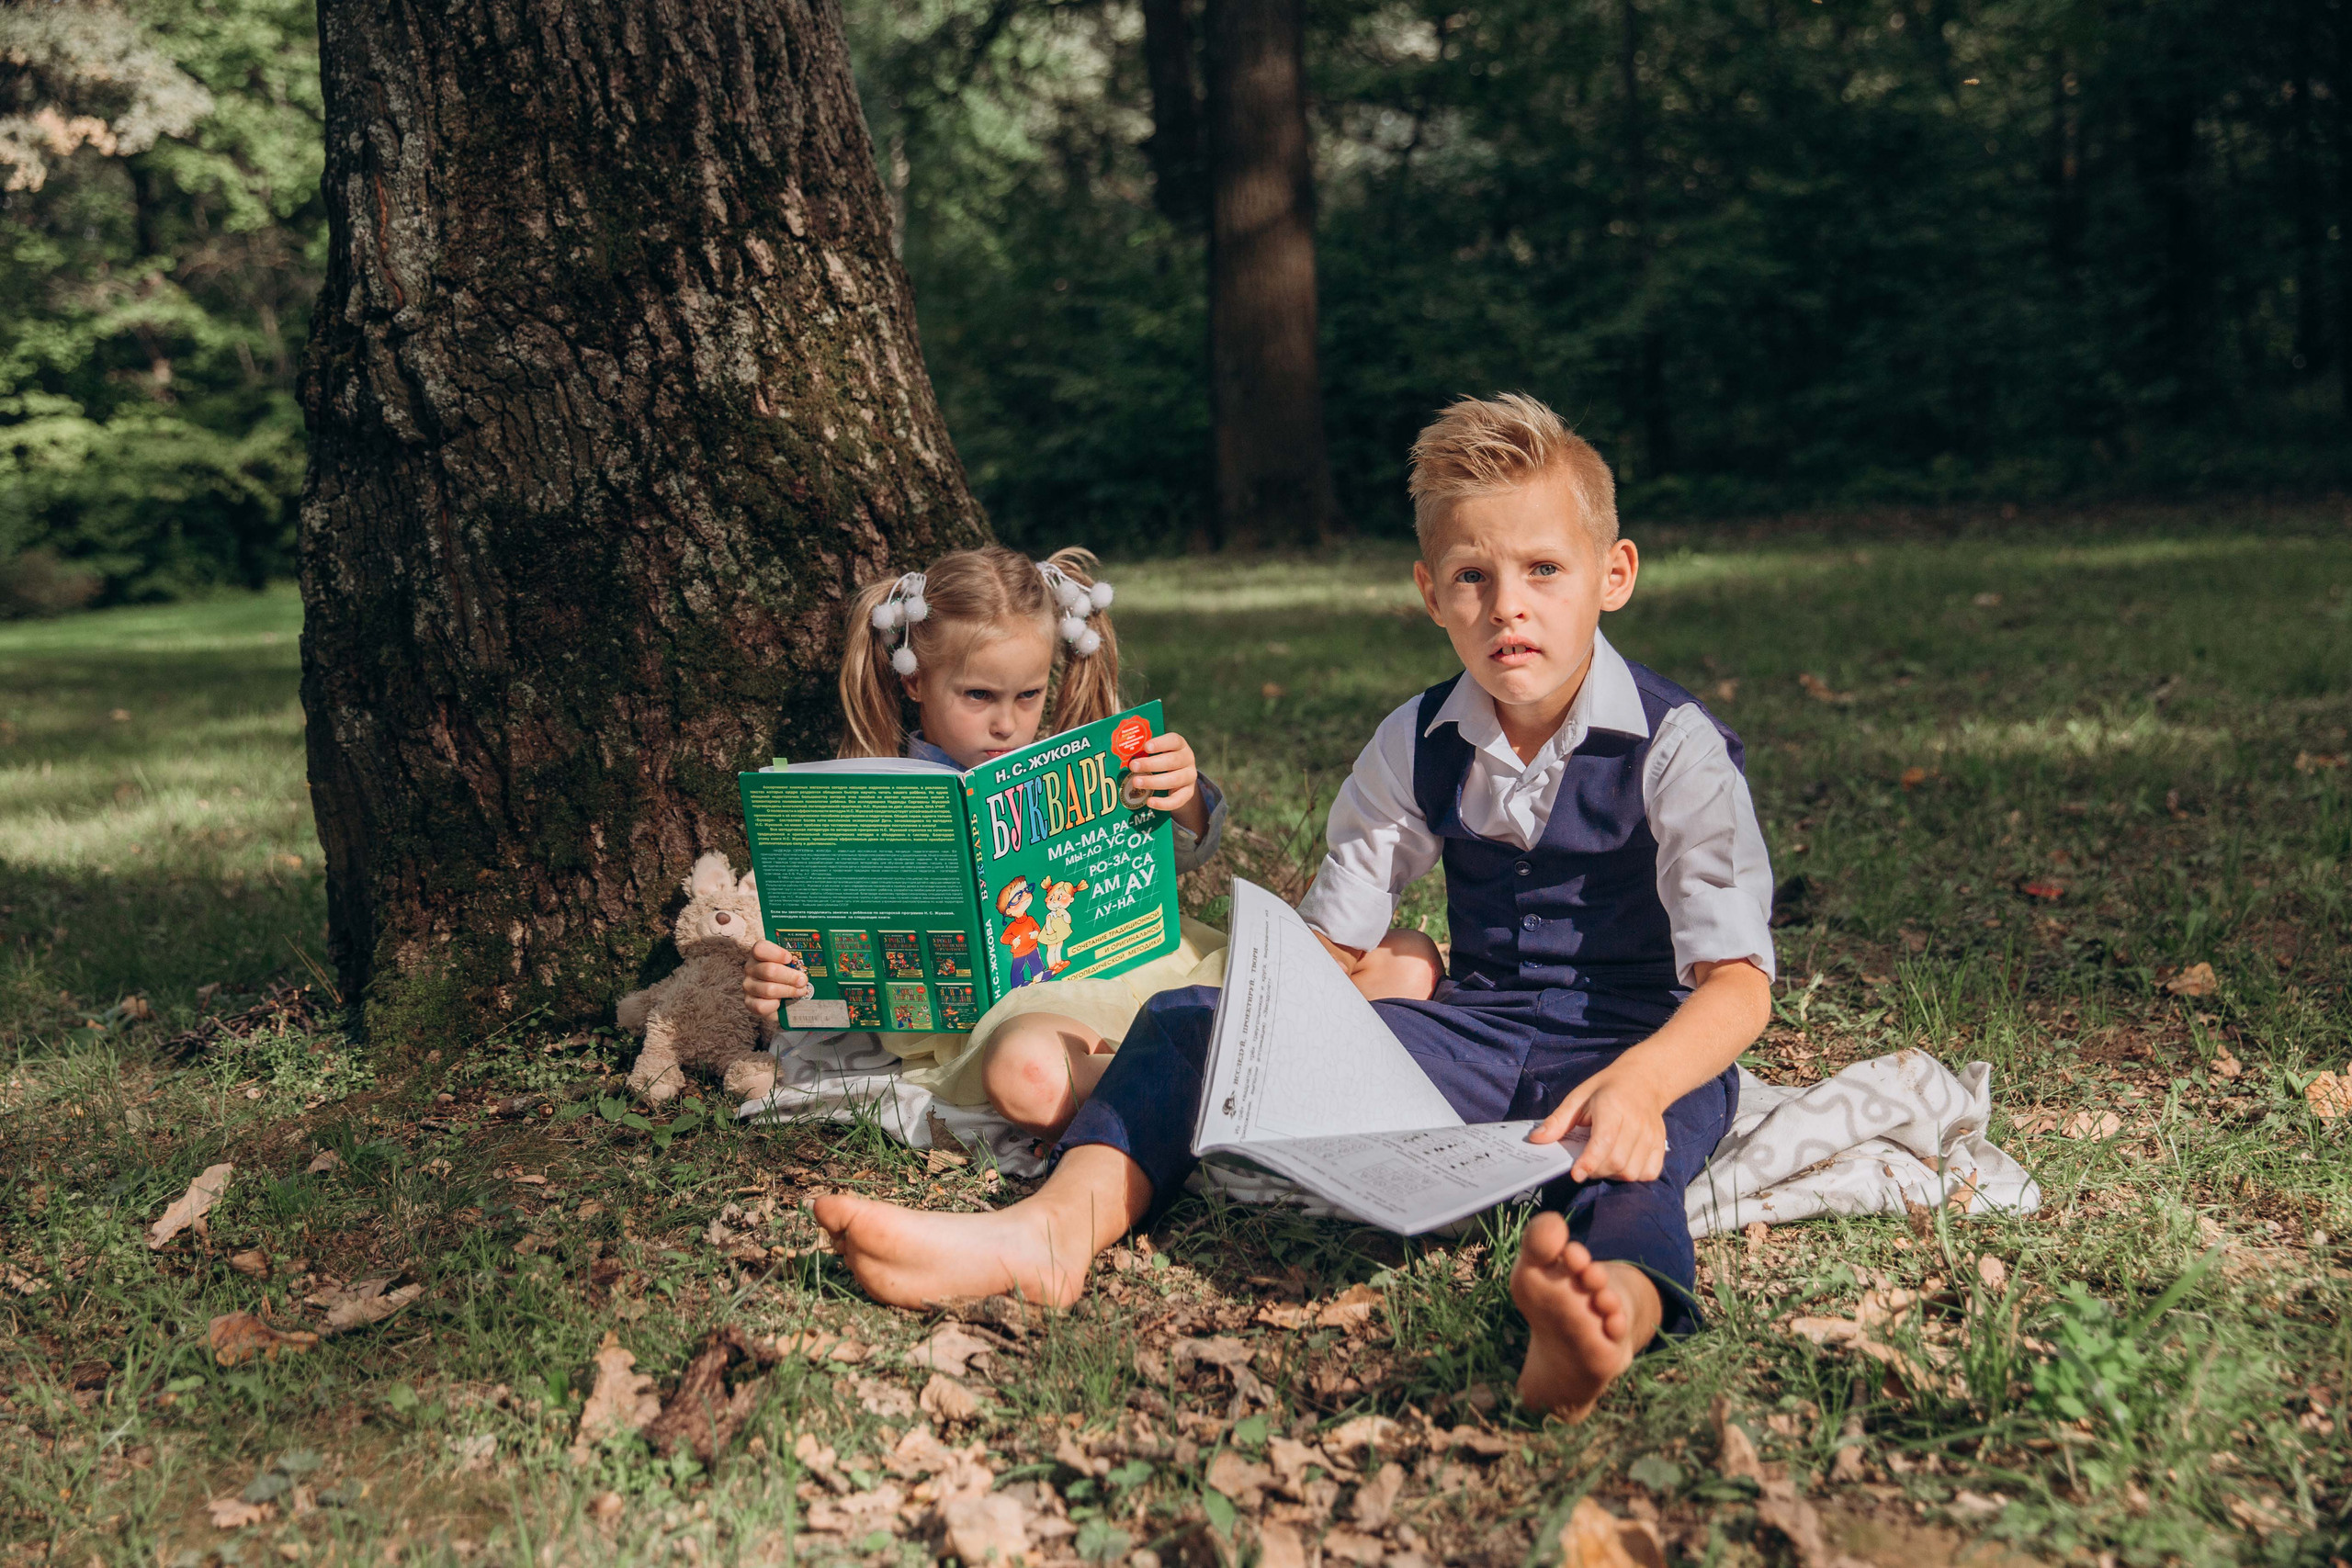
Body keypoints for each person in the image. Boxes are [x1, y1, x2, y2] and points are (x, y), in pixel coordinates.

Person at [809, 397, 1776, 1422]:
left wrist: (1637, 1083)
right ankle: (1049, 1232)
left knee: (1637, 1161)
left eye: (1544, 570)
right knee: (1186, 1024)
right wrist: (1272, 1038)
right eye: (1471, 578)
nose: (1508, 608)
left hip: (1647, 1039)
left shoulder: (1676, 749)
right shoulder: (1414, 739)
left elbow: (1738, 987)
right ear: (1428, 592)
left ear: (1612, 576)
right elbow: (1331, 943)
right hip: (1479, 1033)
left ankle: (1600, 1319)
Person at [741, 545, 1444, 1138]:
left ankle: (1217, 1081)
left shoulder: (1074, 764)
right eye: (979, 696)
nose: (1007, 725)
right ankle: (1250, 1084)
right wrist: (790, 984)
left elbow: (1178, 852)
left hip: (1152, 969)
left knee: (1405, 958)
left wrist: (1186, 795)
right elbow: (831, 979)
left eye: (1028, 695)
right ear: (916, 681)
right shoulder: (877, 803)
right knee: (1029, 1077)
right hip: (1021, 1018)